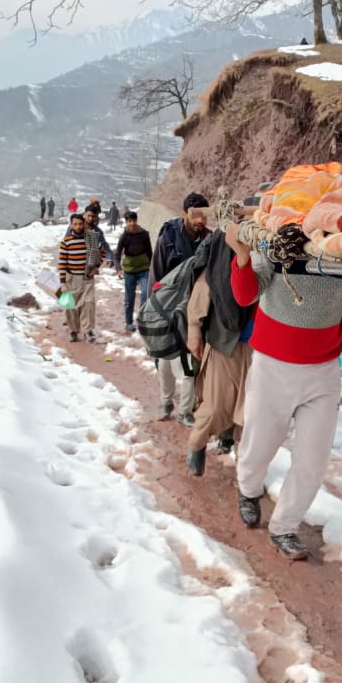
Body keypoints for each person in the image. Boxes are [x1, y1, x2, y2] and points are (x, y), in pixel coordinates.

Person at [226, 225, 342, 560]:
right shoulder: (274, 240)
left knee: (312, 459)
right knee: (259, 444)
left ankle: (284, 527)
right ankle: (248, 490)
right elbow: (245, 295)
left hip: (323, 370)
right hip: (272, 366)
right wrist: (242, 256)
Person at [184, 229, 254, 476]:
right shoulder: (222, 253)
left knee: (250, 413)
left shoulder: (274, 253)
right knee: (215, 406)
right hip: (224, 342)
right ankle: (197, 444)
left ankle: (246, 473)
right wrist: (194, 331)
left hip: (261, 350)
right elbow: (203, 291)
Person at [151, 193, 211, 423]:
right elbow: (156, 275)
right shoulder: (168, 238)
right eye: (195, 215)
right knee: (165, 362)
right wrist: (155, 311)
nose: (200, 220)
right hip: (167, 308)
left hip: (194, 311)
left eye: (204, 215)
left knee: (189, 362)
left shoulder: (209, 239)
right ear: (184, 213)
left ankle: (185, 411)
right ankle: (166, 401)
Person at [57, 212, 104, 342]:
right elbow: (62, 263)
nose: (78, 226)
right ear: (71, 225)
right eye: (75, 224)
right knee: (71, 306)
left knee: (88, 304)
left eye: (80, 224)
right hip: (71, 279)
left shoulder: (91, 239)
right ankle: (73, 331)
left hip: (87, 278)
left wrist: (96, 267)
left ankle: (88, 330)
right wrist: (62, 283)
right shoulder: (65, 242)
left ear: (83, 224)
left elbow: (102, 252)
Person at [113, 211, 152, 332]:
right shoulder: (124, 236)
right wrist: (118, 269)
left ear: (136, 221)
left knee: (146, 293)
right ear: (126, 222)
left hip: (144, 269)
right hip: (129, 271)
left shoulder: (144, 234)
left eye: (134, 221)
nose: (132, 223)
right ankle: (129, 323)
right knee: (129, 299)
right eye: (129, 221)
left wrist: (153, 268)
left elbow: (150, 252)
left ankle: (142, 319)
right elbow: (117, 255)